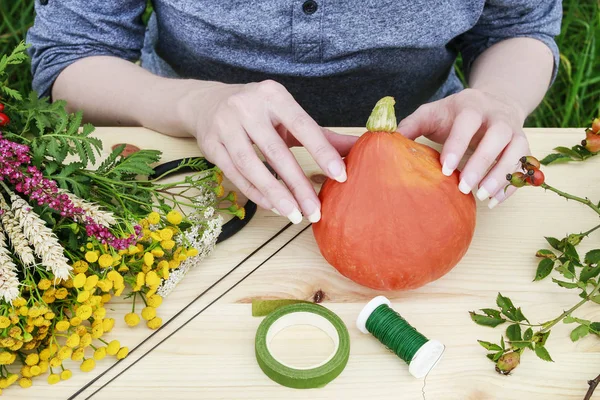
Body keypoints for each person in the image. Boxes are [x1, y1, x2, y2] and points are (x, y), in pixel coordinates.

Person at [26, 1, 562, 225]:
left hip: (428, 155)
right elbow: (70, 55)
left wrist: (500, 98)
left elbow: (519, 25)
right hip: (186, 148)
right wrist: (195, 104)